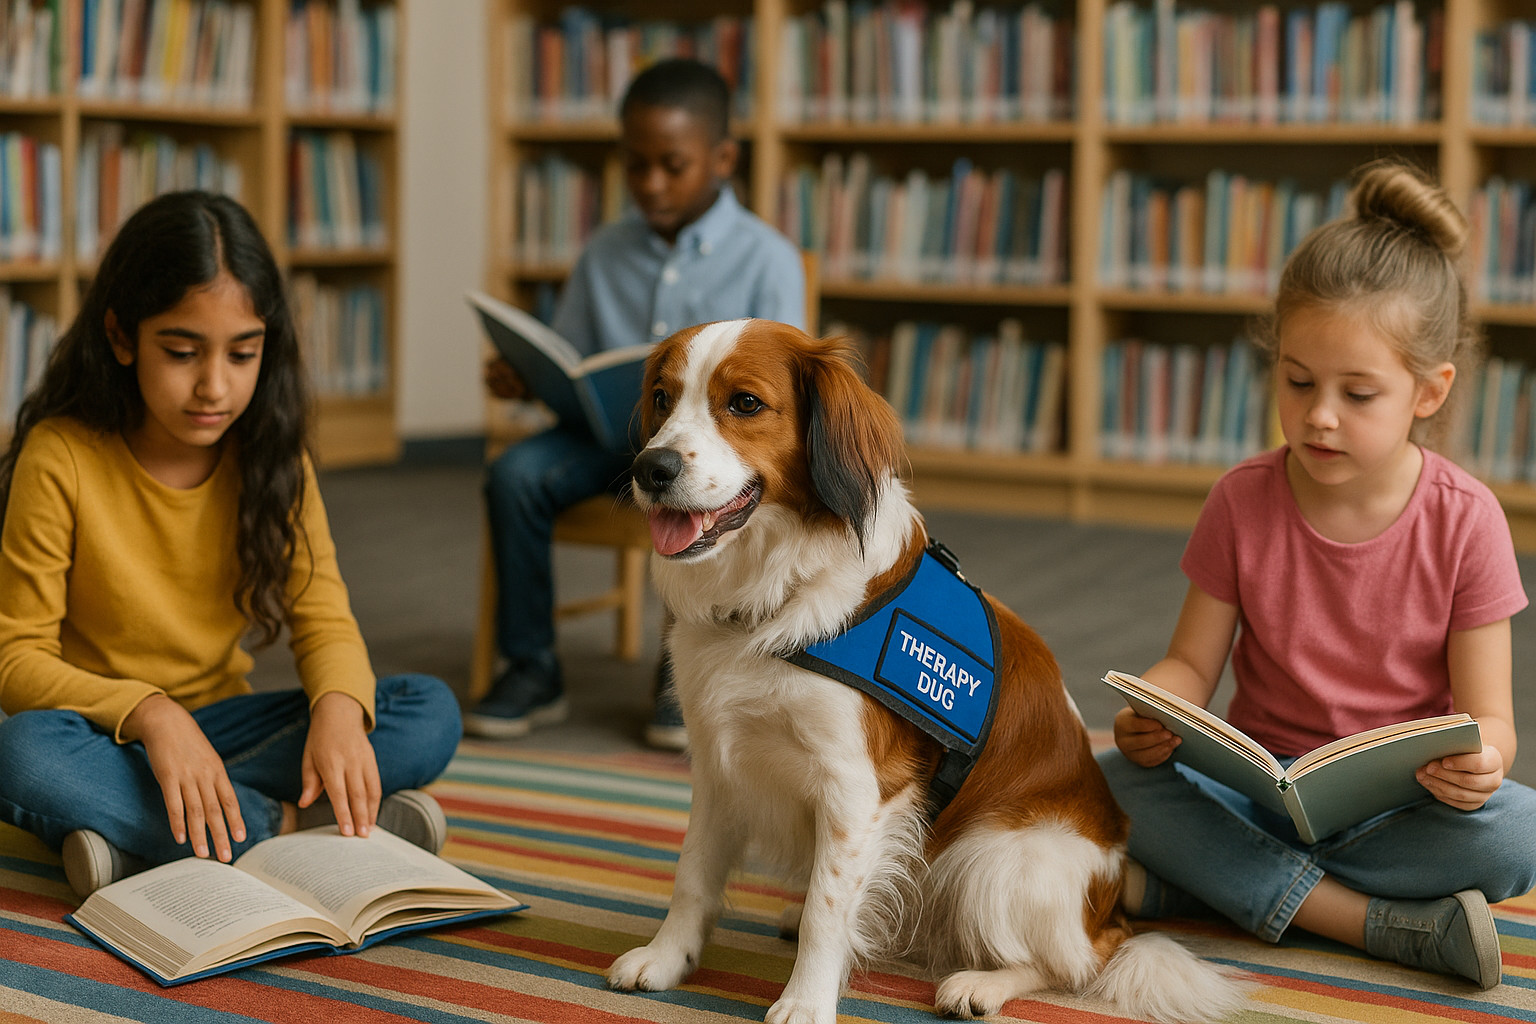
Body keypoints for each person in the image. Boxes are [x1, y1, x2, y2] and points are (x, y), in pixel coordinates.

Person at [1098, 160, 1536, 990]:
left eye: (1357, 393)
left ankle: (1201, 889)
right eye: (1297, 382)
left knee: (1522, 832)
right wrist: (1154, 711)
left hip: (1396, 812)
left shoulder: (1467, 519)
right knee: (1110, 777)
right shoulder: (1241, 499)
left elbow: (1492, 721)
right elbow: (1192, 664)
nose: (1319, 414)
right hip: (1256, 793)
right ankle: (1374, 925)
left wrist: (1481, 765)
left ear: (1427, 392)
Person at [0, 191, 463, 898]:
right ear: (122, 338)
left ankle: (150, 838)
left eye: (243, 353)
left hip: (225, 733)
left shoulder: (272, 456)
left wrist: (338, 710)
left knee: (426, 710)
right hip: (106, 736)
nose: (214, 386)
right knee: (21, 755)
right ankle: (289, 827)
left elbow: (325, 617)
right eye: (182, 352)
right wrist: (151, 713)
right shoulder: (60, 454)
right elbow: (16, 658)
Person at [466, 58, 805, 747]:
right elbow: (572, 358)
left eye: (671, 166)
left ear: (722, 159)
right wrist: (527, 378)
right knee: (514, 476)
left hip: (704, 453)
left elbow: (786, 395)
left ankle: (678, 672)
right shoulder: (604, 251)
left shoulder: (768, 260)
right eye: (636, 165)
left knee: (712, 490)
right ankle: (531, 666)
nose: (650, 184)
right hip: (601, 436)